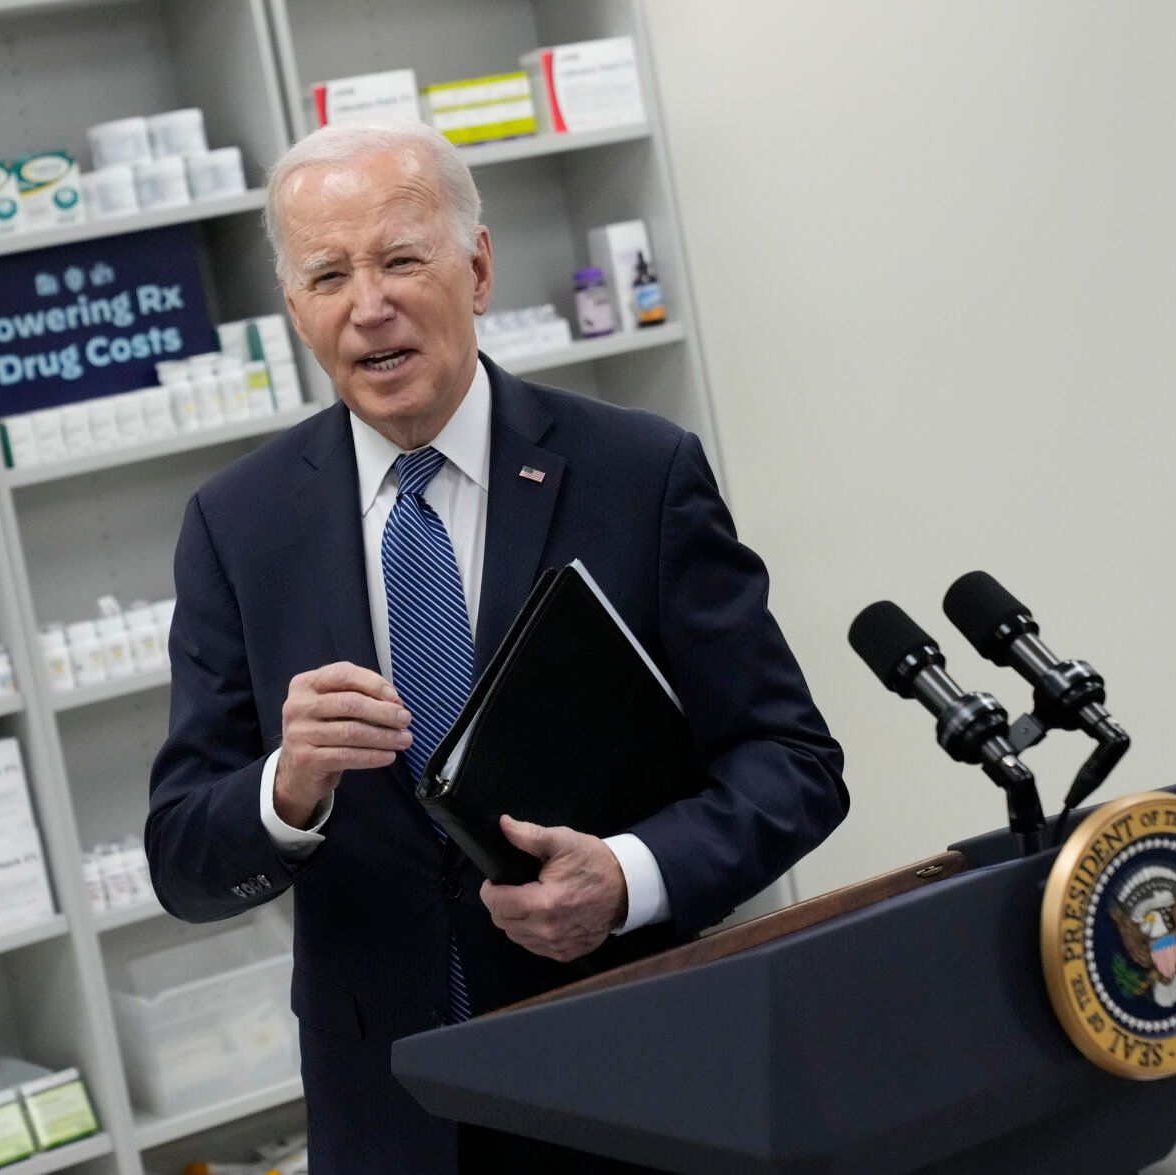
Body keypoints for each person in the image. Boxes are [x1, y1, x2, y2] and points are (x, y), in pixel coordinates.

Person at [146, 121, 847, 1173]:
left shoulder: (636, 473)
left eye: (399, 257)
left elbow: (790, 765)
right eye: (328, 274)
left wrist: (626, 874)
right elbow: (182, 859)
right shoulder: (236, 527)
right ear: (296, 312)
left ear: (474, 269)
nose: (367, 304)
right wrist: (284, 789)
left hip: (630, 1068)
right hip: (387, 1112)